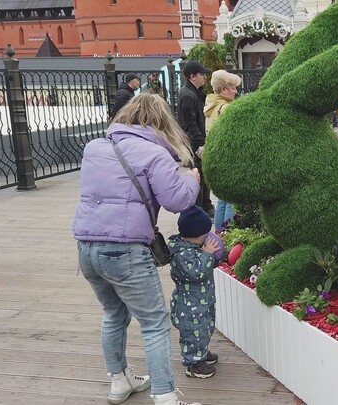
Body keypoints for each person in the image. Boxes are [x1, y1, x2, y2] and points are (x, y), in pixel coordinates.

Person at [73, 93, 203, 405]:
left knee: (113, 314)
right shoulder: (154, 154)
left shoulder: (94, 148)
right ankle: (165, 396)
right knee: (155, 324)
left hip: (86, 249)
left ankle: (119, 381)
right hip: (126, 251)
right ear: (162, 123)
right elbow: (178, 201)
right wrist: (193, 180)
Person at [168, 206, 220, 379]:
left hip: (201, 302)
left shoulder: (194, 248)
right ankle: (194, 364)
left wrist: (212, 258)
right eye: (206, 235)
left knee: (204, 329)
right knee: (193, 333)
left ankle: (201, 352)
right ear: (197, 236)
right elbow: (196, 272)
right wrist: (207, 255)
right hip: (190, 307)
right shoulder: (182, 254)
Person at [204, 69, 242, 231]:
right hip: (229, 159)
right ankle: (228, 235)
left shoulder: (212, 105)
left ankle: (219, 234)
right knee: (232, 201)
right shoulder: (226, 108)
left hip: (215, 157)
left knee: (221, 201)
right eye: (232, 88)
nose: (236, 91)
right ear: (223, 89)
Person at [177, 60, 214, 217]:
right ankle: (199, 211)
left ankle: (205, 206)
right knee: (197, 177)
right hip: (195, 145)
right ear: (192, 76)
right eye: (201, 74)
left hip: (196, 143)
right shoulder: (187, 96)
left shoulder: (193, 93)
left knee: (202, 177)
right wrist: (201, 144)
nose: (204, 77)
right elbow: (189, 124)